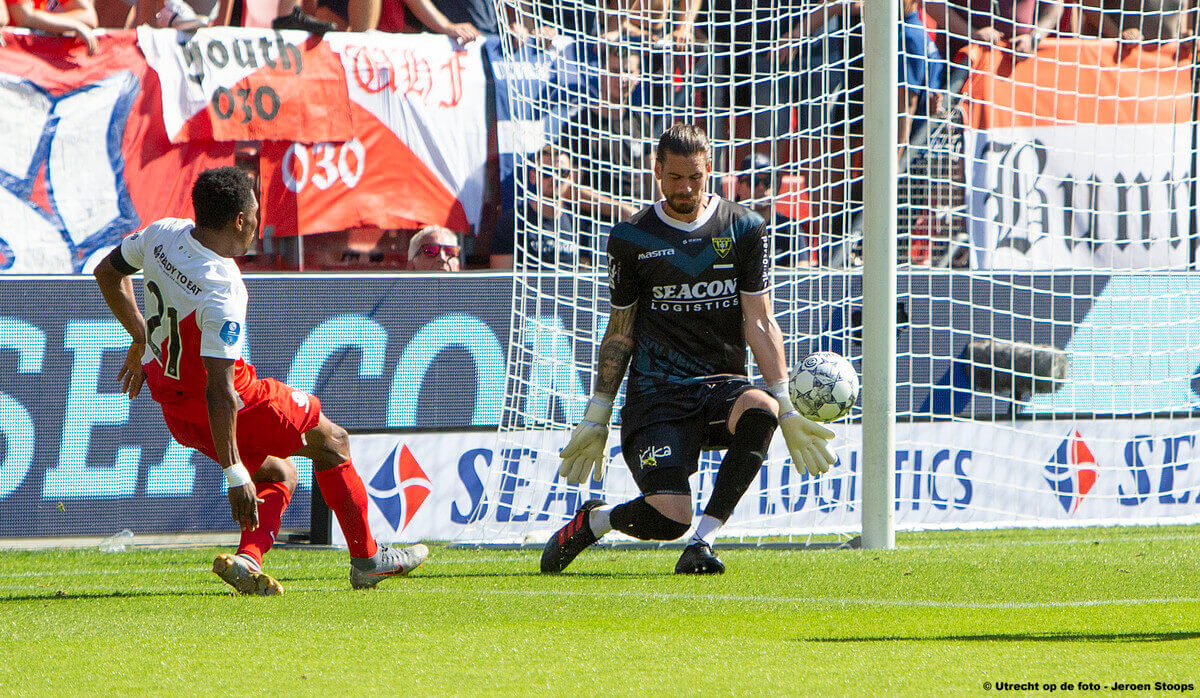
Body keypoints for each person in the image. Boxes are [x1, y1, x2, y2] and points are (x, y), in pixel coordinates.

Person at [93, 167, 427, 595]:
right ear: (238, 220)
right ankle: (368, 559)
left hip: (175, 408)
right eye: (255, 213)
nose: (259, 222)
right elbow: (221, 390)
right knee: (333, 441)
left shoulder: (163, 233)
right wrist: (234, 473)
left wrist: (142, 338)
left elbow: (107, 272)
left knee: (279, 471)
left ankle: (249, 559)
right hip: (229, 400)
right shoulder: (222, 287)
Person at [541, 124, 837, 575]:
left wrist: (786, 405)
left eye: (695, 178)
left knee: (760, 409)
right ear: (656, 171)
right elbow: (620, 331)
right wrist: (597, 413)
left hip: (721, 389)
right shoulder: (632, 238)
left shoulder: (744, 228)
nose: (685, 188)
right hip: (657, 396)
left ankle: (703, 542)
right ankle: (597, 520)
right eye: (675, 177)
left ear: (710, 171)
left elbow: (760, 320)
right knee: (667, 519)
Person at [734, 152, 812, 268]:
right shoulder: (729, 227)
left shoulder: (789, 228)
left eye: (767, 181)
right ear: (739, 186)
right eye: (753, 181)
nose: (761, 187)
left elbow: (803, 271)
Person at [5, 0, 99, 54]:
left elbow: (89, 18)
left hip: (43, 59)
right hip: (13, 61)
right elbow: (25, 18)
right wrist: (74, 25)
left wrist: (54, 24)